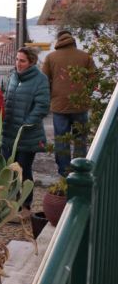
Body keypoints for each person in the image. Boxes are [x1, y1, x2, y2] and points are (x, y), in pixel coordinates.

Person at [41, 30, 97, 176]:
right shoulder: (85, 56)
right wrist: (85, 94)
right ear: (72, 39)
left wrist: (53, 96)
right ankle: (79, 171)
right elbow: (94, 78)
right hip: (80, 105)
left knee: (61, 140)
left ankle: (65, 172)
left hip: (59, 106)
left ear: (58, 40)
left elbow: (43, 81)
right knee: (80, 139)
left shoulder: (51, 57)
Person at [2, 47, 50, 211]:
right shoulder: (13, 77)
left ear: (31, 62)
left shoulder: (40, 79)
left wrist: (26, 123)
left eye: (22, 61)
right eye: (16, 59)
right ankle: (11, 206)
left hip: (27, 135)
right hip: (8, 134)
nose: (18, 63)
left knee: (23, 172)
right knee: (9, 172)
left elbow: (42, 106)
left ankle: (26, 206)